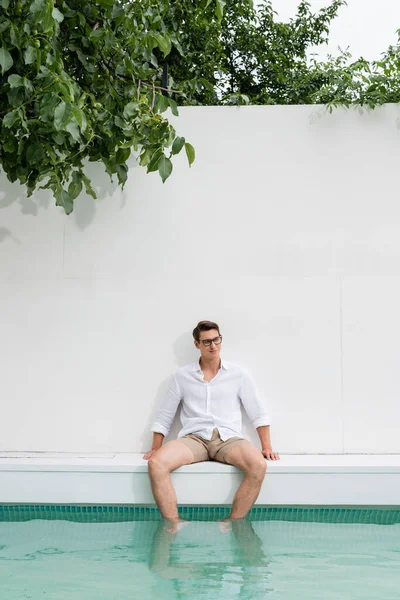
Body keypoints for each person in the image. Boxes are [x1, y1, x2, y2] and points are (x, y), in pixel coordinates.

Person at [144, 320, 279, 532]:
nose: (213, 346)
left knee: (258, 465)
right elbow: (165, 415)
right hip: (194, 439)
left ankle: (233, 522)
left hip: (228, 439)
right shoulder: (181, 376)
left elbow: (257, 412)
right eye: (206, 342)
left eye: (216, 340)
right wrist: (155, 446)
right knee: (156, 464)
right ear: (197, 344)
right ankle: (173, 524)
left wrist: (267, 446)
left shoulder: (238, 374)